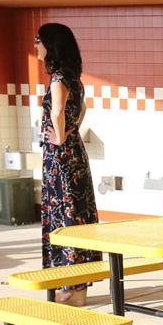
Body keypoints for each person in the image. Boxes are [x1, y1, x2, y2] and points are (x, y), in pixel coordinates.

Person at [35, 23, 100, 306]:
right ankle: (77, 287)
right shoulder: (73, 78)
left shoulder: (58, 78)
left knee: (65, 216)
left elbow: (58, 110)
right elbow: (81, 109)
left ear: (52, 45)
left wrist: (60, 136)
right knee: (77, 213)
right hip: (73, 155)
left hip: (59, 159)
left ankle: (69, 285)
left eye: (39, 41)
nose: (35, 46)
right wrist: (71, 130)